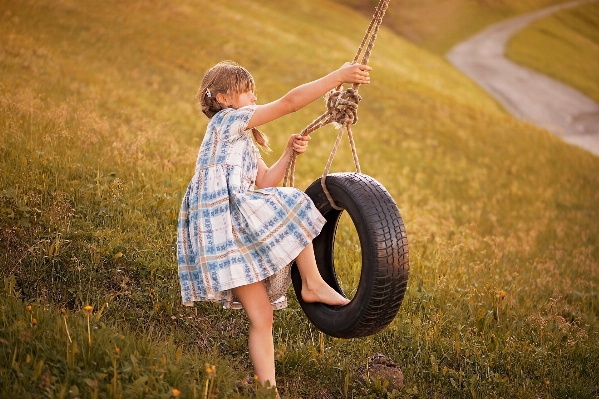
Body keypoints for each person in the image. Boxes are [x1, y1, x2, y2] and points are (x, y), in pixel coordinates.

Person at [177, 60, 372, 391]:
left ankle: (268, 390)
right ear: (223, 99)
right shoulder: (226, 122)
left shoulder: (244, 143)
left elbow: (266, 183)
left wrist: (286, 154)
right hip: (223, 223)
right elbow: (289, 103)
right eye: (247, 91)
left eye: (255, 91)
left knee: (262, 315)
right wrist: (338, 76)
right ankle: (311, 283)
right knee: (293, 201)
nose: (254, 97)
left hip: (226, 235)